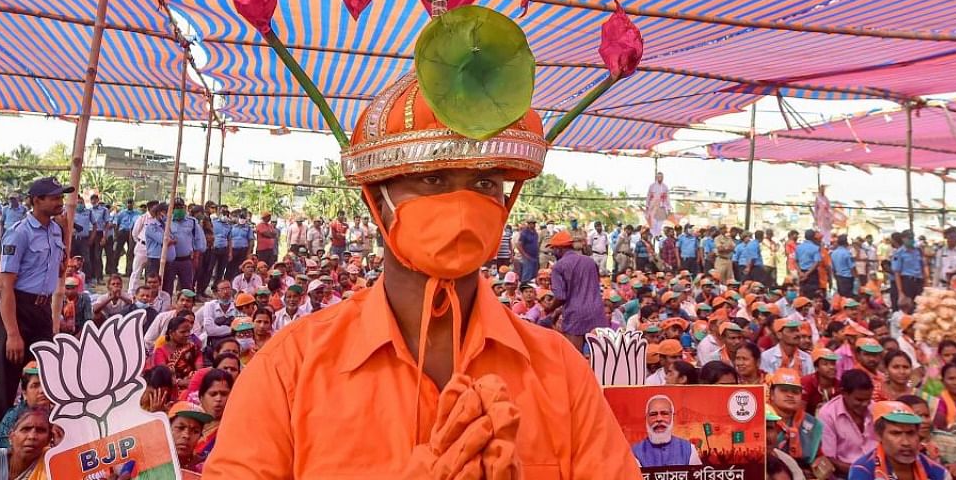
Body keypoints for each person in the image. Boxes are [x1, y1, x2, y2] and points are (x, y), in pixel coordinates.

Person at [206, 73, 638, 477]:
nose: (464, 204)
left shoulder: (559, 371)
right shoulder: (290, 368)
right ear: (378, 200)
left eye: (486, 184)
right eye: (432, 178)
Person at [0, 177, 70, 435]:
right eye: (55, 198)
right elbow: (6, 287)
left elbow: (58, 268)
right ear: (37, 201)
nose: (61, 202)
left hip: (42, 310)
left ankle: (39, 432)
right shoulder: (19, 232)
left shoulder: (56, 230)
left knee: (47, 375)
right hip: (17, 308)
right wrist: (13, 333)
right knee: (8, 382)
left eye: (61, 197)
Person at [847, 400, 947, 480]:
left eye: (910, 433)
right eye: (896, 433)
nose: (906, 442)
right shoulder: (863, 471)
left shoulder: (937, 472)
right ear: (879, 435)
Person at [547, 230, 606, 351]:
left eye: (553, 249)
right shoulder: (590, 261)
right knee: (600, 357)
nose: (552, 252)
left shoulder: (558, 267)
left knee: (574, 356)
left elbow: (561, 296)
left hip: (575, 314)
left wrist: (550, 308)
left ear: (559, 249)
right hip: (597, 312)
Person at [817, 370, 877, 476]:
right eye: (859, 400)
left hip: (879, 471)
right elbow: (829, 458)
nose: (864, 404)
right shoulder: (827, 414)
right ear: (844, 393)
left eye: (868, 399)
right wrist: (860, 471)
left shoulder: (875, 408)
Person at [769, 368, 822, 469]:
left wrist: (819, 463)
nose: (790, 395)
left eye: (795, 392)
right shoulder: (763, 419)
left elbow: (819, 457)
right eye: (784, 390)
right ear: (772, 394)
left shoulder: (811, 423)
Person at [631, 394, 699, 467]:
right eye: (653, 414)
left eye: (664, 413)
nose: (659, 419)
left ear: (672, 417)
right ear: (646, 418)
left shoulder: (689, 449)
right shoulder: (635, 453)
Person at [0, 362, 46, 449]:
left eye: (45, 385)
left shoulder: (58, 416)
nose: (42, 390)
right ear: (24, 393)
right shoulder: (13, 417)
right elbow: (4, 449)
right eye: (35, 386)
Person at [193, 368, 232, 468]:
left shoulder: (234, 429)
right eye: (213, 394)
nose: (218, 399)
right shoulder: (188, 425)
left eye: (224, 394)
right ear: (201, 397)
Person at [169, 401, 211, 474]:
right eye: (180, 428)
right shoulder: (150, 461)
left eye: (195, 431)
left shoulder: (204, 469)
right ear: (167, 428)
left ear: (200, 436)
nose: (187, 435)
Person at [891, 234, 925, 311]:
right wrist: (900, 292)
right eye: (909, 238)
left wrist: (926, 282)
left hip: (918, 281)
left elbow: (923, 267)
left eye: (912, 238)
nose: (911, 240)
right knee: (908, 306)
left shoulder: (918, 251)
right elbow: (897, 273)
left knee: (920, 306)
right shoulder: (899, 252)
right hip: (907, 281)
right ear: (903, 239)